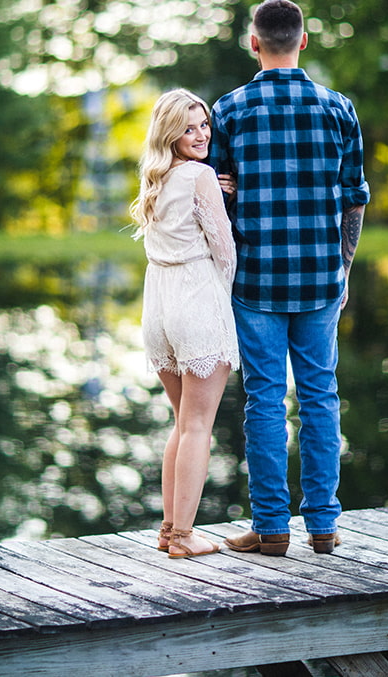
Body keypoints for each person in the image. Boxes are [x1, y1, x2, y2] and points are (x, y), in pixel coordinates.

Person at [210, 0, 369, 556]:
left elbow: (214, 200)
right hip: (321, 277)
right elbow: (354, 198)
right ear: (304, 40)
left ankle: (272, 527)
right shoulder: (337, 108)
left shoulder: (227, 110)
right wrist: (343, 267)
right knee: (321, 396)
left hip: (254, 279)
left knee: (264, 401)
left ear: (254, 43)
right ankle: (324, 526)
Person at [131, 89, 239, 559]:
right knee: (198, 425)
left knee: (182, 421)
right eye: (189, 128)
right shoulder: (201, 176)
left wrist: (215, 190)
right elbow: (225, 251)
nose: (201, 135)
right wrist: (226, 296)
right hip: (196, 303)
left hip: (158, 307)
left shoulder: (156, 178)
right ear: (170, 133)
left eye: (204, 125)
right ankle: (184, 538)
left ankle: (169, 529)